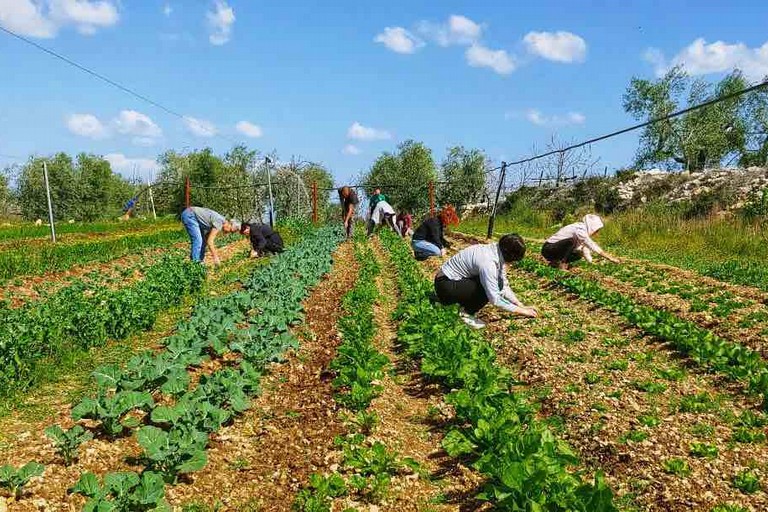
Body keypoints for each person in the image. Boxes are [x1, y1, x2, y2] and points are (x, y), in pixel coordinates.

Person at [434, 234, 538, 329]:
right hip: (445, 285)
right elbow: (495, 299)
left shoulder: (495, 251)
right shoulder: (489, 262)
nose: (513, 263)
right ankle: (466, 314)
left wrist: (520, 305)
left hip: (448, 282)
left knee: (497, 283)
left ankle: (461, 304)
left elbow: (504, 284)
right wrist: (522, 312)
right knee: (487, 288)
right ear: (510, 256)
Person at [541, 214, 621, 269]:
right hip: (548, 249)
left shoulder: (583, 231)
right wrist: (609, 257)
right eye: (596, 230)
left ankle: (555, 262)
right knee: (570, 242)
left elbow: (585, 249)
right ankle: (561, 264)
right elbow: (591, 244)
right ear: (592, 226)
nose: (596, 232)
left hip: (554, 251)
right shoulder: (580, 229)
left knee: (578, 254)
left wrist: (591, 262)